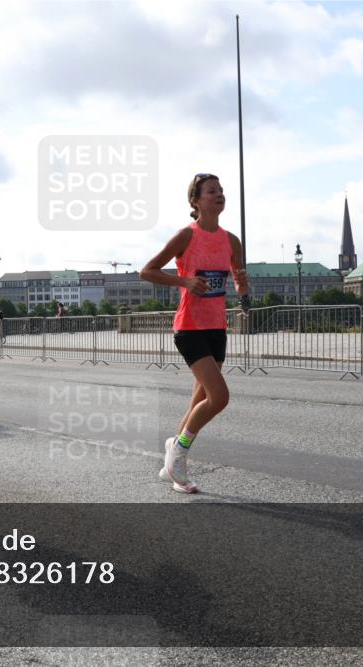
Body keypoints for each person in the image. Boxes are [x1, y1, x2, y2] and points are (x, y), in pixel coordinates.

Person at [140, 173, 250, 494]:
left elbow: (238, 275)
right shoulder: (186, 237)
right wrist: (185, 281)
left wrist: (243, 290)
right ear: (196, 200)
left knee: (199, 400)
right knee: (219, 397)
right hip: (189, 327)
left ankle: (170, 462)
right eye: (211, 191)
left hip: (217, 326)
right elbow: (147, 270)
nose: (219, 195)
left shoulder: (231, 241)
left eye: (221, 190)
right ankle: (180, 452)